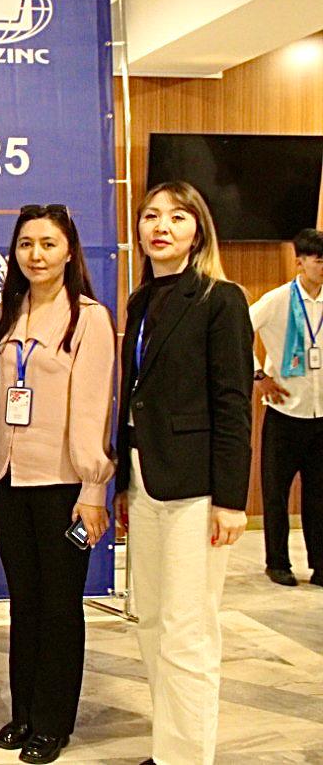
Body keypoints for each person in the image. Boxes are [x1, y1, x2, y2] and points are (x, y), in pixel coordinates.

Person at [0, 204, 115, 764]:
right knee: (24, 601)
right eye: (26, 244)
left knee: (59, 605)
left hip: (63, 484)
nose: (36, 255)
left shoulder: (89, 318)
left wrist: (93, 491)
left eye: (48, 244)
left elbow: (94, 408)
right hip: (8, 477)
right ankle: (24, 711)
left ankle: (53, 721)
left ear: (69, 251)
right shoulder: (7, 313)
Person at [114, 181, 252, 765]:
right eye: (151, 216)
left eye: (176, 216)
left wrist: (231, 500)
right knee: (151, 622)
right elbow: (134, 398)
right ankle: (169, 748)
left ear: (198, 230)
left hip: (197, 488)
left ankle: (187, 757)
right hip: (144, 478)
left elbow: (233, 404)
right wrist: (123, 482)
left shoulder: (222, 299)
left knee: (187, 628)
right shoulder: (141, 301)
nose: (161, 227)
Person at [249, 227, 323, 587]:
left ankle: (320, 564)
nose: (322, 267)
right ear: (299, 262)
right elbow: (237, 329)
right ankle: (277, 563)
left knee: (319, 496)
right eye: (318, 260)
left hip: (320, 413)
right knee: (276, 494)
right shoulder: (277, 300)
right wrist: (257, 375)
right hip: (285, 412)